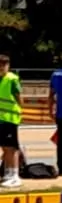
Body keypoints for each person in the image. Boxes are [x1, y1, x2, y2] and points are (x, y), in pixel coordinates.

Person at [0, 53, 22, 188]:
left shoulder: (12, 79)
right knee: (4, 147)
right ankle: (8, 173)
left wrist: (18, 113)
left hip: (10, 118)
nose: (2, 68)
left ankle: (15, 175)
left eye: (4, 65)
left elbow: (20, 98)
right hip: (1, 119)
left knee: (12, 147)